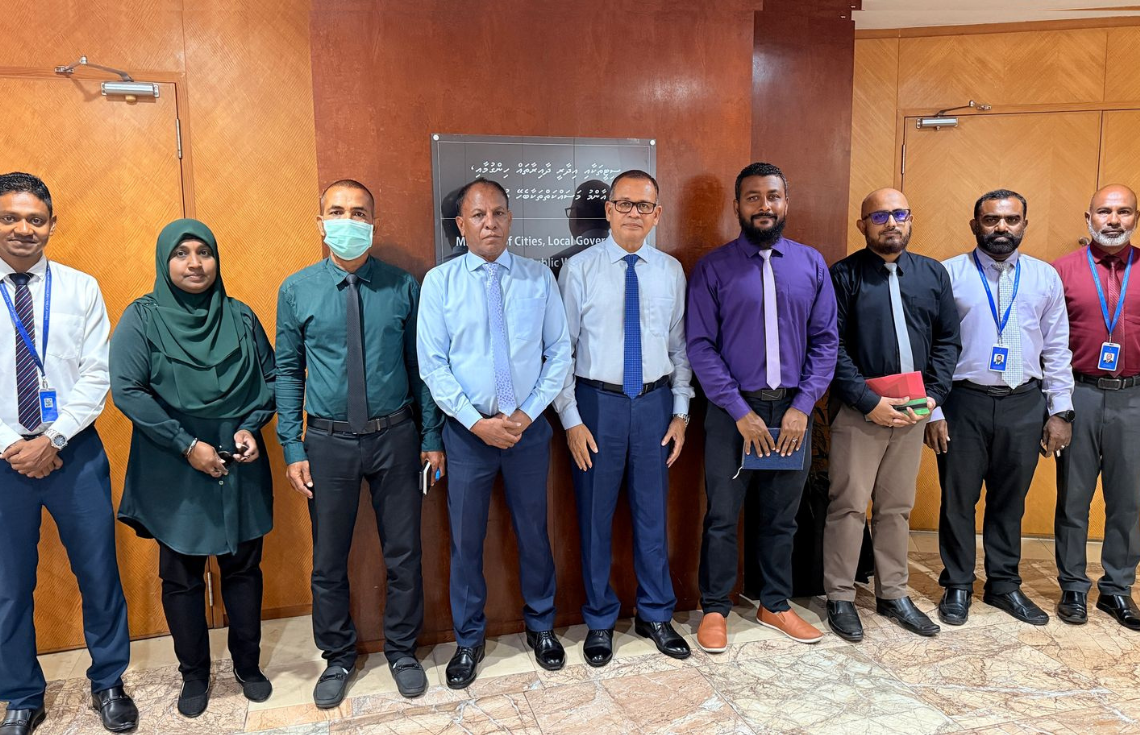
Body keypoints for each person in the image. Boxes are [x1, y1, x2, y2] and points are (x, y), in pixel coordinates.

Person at [276, 179, 445, 704]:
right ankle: (337, 656)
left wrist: (431, 435)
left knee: (404, 553)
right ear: (320, 222)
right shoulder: (296, 290)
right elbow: (288, 371)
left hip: (396, 436)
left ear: (374, 223)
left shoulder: (403, 287)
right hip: (327, 443)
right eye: (336, 211)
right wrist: (292, 445)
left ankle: (402, 650)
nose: (347, 221)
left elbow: (421, 368)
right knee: (328, 560)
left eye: (358, 213)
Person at [111, 218, 277, 716]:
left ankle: (248, 666)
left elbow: (272, 379)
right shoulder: (141, 318)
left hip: (239, 458)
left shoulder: (241, 316)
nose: (194, 263)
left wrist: (251, 426)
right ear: (165, 261)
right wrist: (186, 445)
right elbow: (127, 390)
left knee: (243, 569)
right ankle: (194, 676)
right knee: (181, 575)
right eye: (181, 253)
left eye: (204, 252)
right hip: (172, 463)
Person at [418, 178, 572, 688]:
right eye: (479, 215)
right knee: (466, 540)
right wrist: (475, 422)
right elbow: (432, 365)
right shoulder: (440, 283)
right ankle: (468, 640)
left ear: (510, 219)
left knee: (534, 533)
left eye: (499, 213)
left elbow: (559, 354)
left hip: (528, 431)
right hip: (467, 435)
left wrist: (526, 414)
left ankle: (541, 627)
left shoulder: (537, 277)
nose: (490, 224)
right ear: (461, 225)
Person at [0, 172, 137, 735]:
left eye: (35, 219)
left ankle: (109, 682)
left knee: (99, 574)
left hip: (73, 454)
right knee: (8, 587)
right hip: (4, 461)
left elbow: (97, 373)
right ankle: (20, 695)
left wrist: (51, 439)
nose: (23, 229)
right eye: (11, 217)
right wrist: (14, 445)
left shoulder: (80, 288)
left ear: (52, 225)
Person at [686, 162, 838, 652]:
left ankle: (775, 603)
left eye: (773, 196)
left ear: (786, 202)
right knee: (722, 517)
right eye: (753, 197)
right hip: (732, 415)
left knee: (781, 517)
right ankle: (715, 608)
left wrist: (803, 406)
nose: (764, 206)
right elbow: (700, 346)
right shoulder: (713, 268)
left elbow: (826, 341)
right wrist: (739, 411)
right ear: (737, 206)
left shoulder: (811, 264)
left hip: (792, 413)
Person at [554, 170, 693, 666]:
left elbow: (679, 348)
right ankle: (599, 620)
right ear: (609, 211)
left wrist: (680, 412)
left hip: (654, 405)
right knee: (595, 517)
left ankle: (656, 614)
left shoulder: (670, 271)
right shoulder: (579, 270)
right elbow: (562, 351)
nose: (635, 213)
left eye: (644, 205)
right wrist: (571, 419)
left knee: (652, 515)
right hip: (597, 405)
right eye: (625, 204)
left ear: (657, 214)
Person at [925, 189, 1074, 627]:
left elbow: (1057, 348)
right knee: (958, 498)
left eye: (1011, 219)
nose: (1001, 228)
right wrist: (933, 411)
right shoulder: (948, 274)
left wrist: (1060, 411)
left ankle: (1004, 584)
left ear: (1024, 224)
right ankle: (957, 583)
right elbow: (929, 346)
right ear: (975, 225)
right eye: (991, 220)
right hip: (962, 401)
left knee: (1010, 499)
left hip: (1024, 402)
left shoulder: (1044, 277)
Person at [824, 188, 961, 642]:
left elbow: (947, 341)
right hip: (860, 411)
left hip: (914, 410)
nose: (892, 223)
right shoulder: (843, 275)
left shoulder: (933, 274)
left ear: (911, 218)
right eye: (880, 216)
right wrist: (869, 402)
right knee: (848, 505)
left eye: (899, 213)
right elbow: (832, 347)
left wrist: (933, 398)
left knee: (897, 508)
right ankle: (840, 596)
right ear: (862, 225)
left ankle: (893, 593)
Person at [1052, 184, 1140, 630]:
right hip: (1079, 393)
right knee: (1074, 497)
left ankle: (1117, 589)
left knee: (1129, 500)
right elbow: (1048, 343)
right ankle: (1072, 586)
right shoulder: (1061, 271)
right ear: (1088, 218)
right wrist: (1056, 407)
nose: (1114, 220)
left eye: (1124, 211)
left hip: (1135, 397)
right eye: (1104, 211)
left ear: (1136, 219)